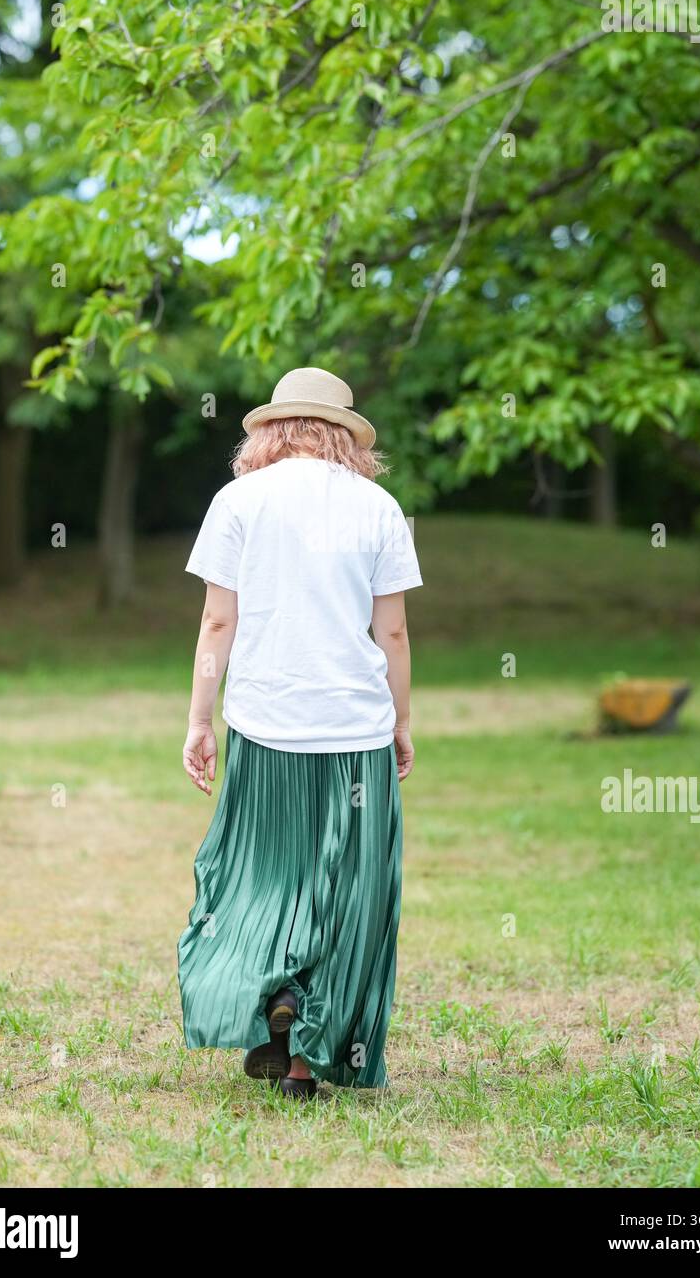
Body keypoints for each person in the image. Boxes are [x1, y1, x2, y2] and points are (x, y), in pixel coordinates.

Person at [177, 367, 422, 1100]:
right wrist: (401, 721)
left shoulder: (237, 501)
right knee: (351, 894)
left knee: (257, 881)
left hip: (263, 726)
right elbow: (395, 631)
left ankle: (273, 1005)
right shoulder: (379, 508)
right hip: (355, 734)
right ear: (345, 436)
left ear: (271, 431)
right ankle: (310, 1057)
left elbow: (219, 622)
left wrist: (199, 716)